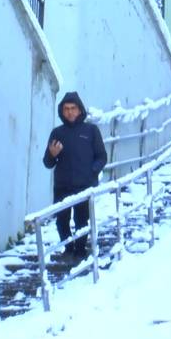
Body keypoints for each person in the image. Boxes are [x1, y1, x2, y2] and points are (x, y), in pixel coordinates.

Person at [43, 91, 107, 260]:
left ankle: (80, 251)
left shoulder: (91, 130)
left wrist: (92, 171)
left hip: (84, 186)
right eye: (66, 109)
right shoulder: (57, 133)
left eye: (73, 108)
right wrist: (52, 154)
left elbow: (102, 157)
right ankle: (68, 249)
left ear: (80, 110)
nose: (70, 112)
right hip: (62, 186)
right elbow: (48, 163)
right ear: (62, 111)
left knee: (81, 221)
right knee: (61, 221)